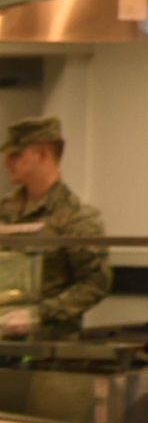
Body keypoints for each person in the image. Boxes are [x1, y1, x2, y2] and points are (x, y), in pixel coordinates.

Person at [0, 116, 110, 336]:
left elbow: (95, 283)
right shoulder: (4, 210)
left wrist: (38, 314)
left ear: (42, 154)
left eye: (16, 155)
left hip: (50, 349)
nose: (7, 163)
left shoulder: (75, 217)